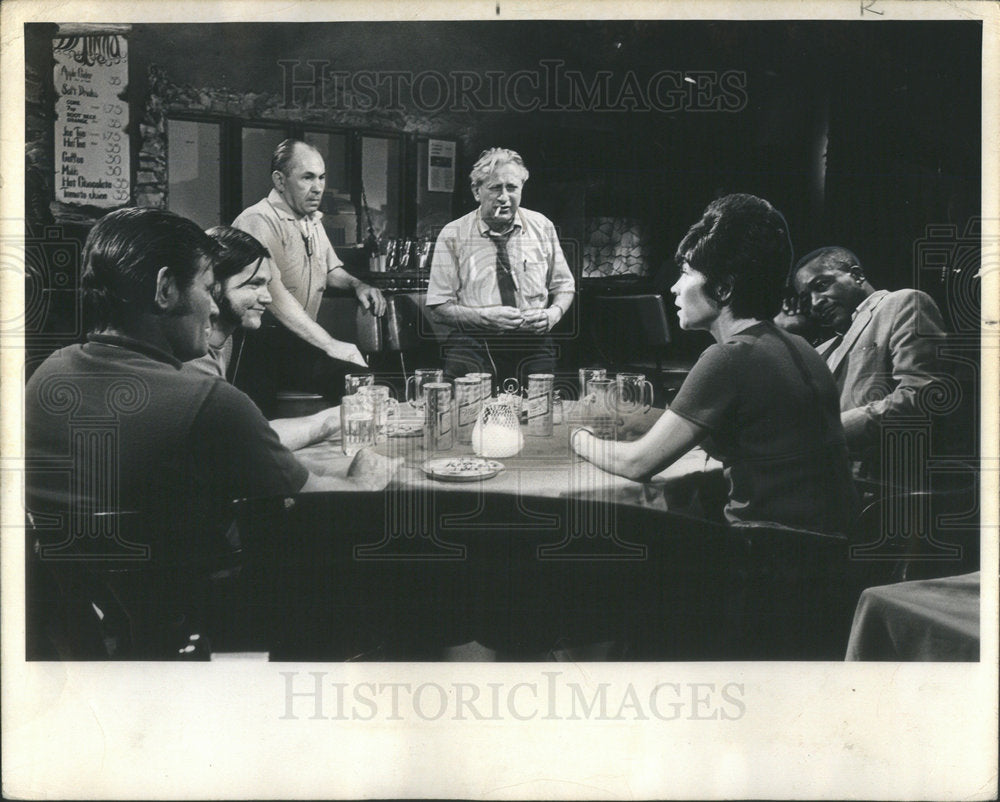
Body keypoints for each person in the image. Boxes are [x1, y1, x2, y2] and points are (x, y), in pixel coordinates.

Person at [26, 208, 399, 570]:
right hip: (203, 610)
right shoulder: (206, 400)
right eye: (207, 289)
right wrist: (364, 478)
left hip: (86, 613)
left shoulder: (46, 376)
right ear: (165, 289)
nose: (213, 308)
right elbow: (320, 501)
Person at [572, 194, 858, 535]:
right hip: (829, 552)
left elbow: (638, 464)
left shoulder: (730, 357)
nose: (675, 288)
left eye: (686, 273)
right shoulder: (798, 347)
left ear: (723, 287)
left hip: (771, 555)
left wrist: (578, 437)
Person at [232, 139, 386, 415]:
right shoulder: (257, 220)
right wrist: (330, 344)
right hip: (258, 346)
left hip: (299, 340)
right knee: (257, 430)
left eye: (321, 177)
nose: (318, 187)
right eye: (307, 178)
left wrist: (357, 285)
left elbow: (330, 271)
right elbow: (273, 293)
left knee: (360, 381)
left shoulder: (310, 220)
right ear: (280, 180)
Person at [791, 246, 947, 483]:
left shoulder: (903, 302)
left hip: (885, 486)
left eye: (821, 286)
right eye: (805, 298)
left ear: (856, 275)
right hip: (828, 486)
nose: (814, 303)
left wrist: (830, 431)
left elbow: (921, 396)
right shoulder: (822, 349)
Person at [426, 147, 575, 386]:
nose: (504, 197)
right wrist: (483, 317)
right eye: (495, 188)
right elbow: (438, 308)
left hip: (533, 343)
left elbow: (565, 285)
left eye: (512, 187)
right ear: (477, 191)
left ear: (521, 189)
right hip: (473, 343)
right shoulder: (453, 234)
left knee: (539, 415)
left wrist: (553, 314)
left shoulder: (541, 226)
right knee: (464, 417)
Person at [186, 226, 341, 451]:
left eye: (266, 285)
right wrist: (335, 419)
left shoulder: (235, 340)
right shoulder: (189, 353)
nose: (267, 298)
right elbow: (242, 441)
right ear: (214, 285)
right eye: (254, 284)